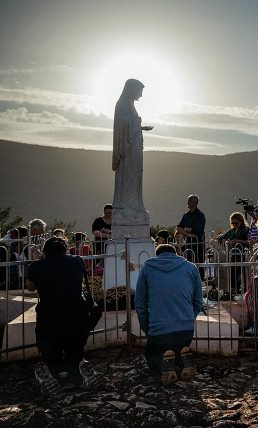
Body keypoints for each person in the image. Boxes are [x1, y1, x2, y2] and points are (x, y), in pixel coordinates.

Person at [26, 237, 104, 393]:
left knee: (50, 349)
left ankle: (55, 373)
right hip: (77, 312)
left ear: (45, 251)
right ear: (65, 248)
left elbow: (30, 287)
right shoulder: (76, 261)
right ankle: (76, 371)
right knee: (74, 347)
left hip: (49, 314)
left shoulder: (37, 266)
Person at [135, 244, 203, 385]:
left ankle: (163, 366)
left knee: (152, 356)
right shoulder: (191, 268)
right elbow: (198, 302)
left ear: (157, 255)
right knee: (177, 351)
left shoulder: (147, 269)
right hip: (186, 330)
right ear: (176, 253)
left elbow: (140, 304)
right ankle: (181, 364)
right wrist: (189, 318)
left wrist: (147, 328)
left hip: (159, 330)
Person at [112, 78, 153, 225]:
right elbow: (121, 124)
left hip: (134, 147)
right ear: (132, 90)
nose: (141, 95)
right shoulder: (122, 104)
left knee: (136, 174)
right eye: (140, 91)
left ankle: (134, 204)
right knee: (129, 175)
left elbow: (129, 124)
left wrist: (140, 127)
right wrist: (137, 123)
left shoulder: (130, 105)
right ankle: (127, 205)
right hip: (127, 150)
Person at [175, 194, 206, 279]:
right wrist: (187, 233)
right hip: (188, 243)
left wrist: (186, 230)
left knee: (199, 262)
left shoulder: (200, 216)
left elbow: (198, 230)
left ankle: (200, 279)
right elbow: (178, 227)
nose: (187, 203)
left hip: (198, 243)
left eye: (188, 201)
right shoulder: (186, 215)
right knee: (188, 262)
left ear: (194, 202)